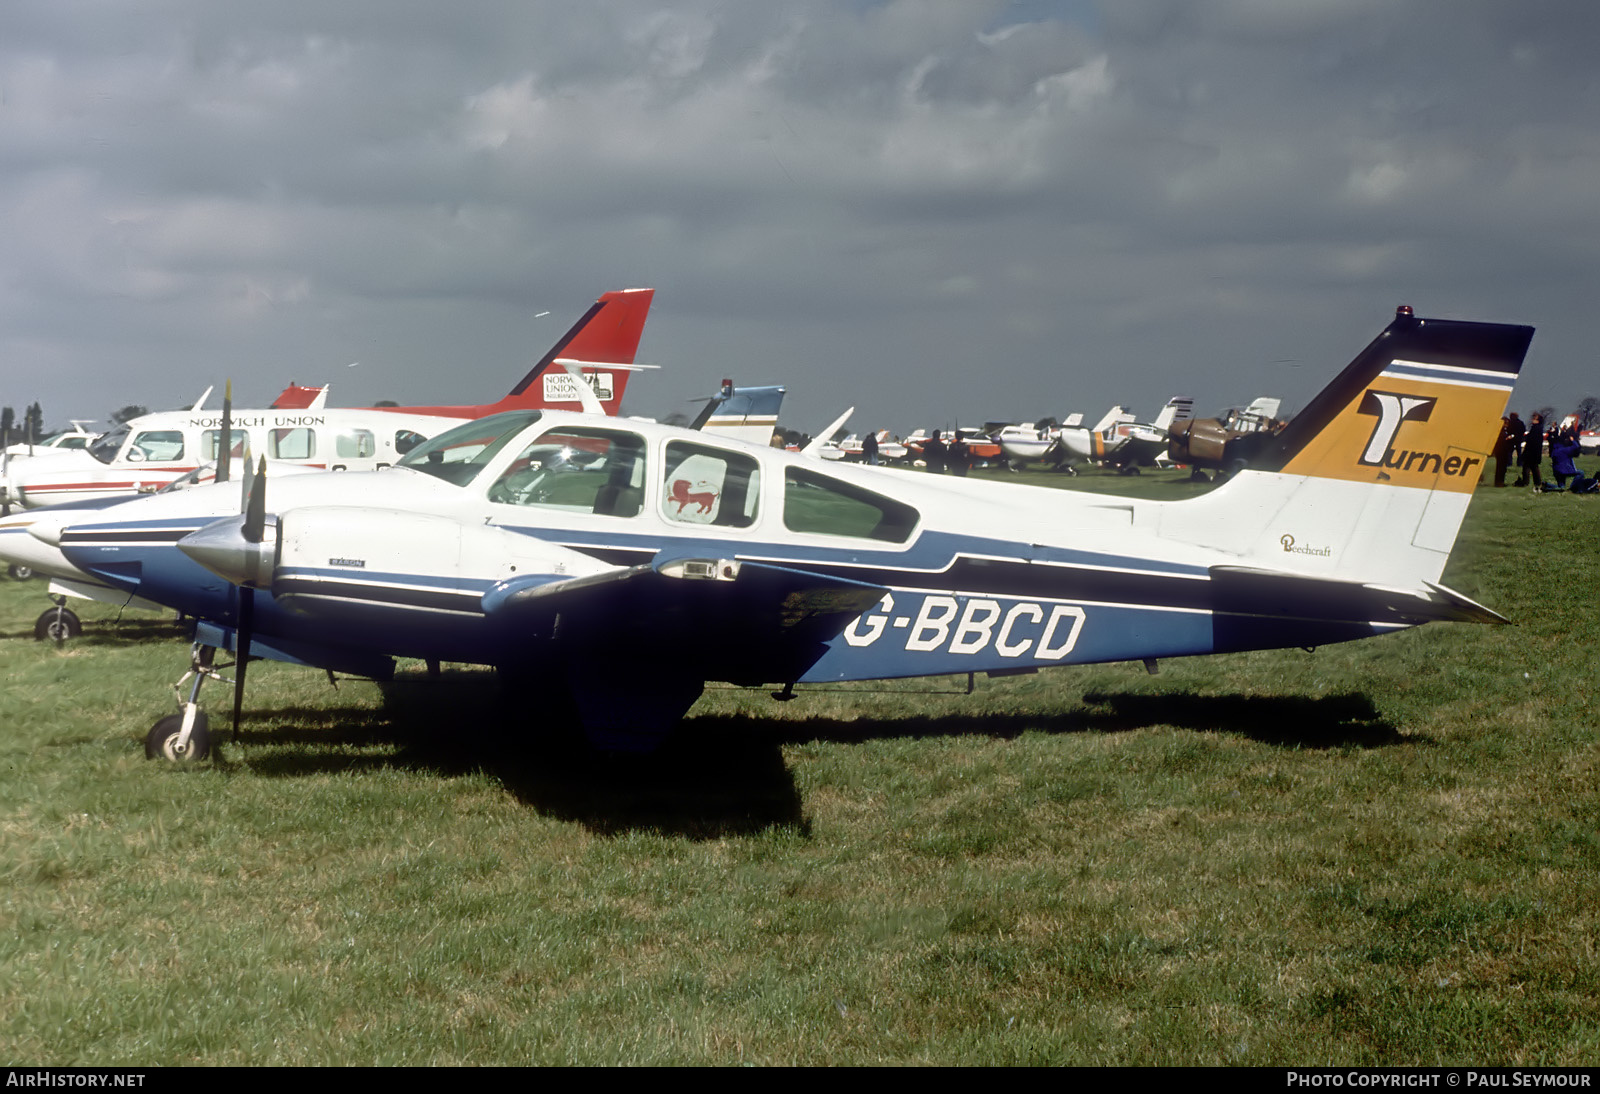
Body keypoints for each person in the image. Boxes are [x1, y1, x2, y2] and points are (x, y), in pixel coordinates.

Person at [1514, 413, 1544, 488]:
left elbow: (1533, 440)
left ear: (1538, 421)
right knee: (1533, 467)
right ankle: (1536, 482)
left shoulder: (1536, 428)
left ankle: (1526, 482)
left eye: (1534, 418)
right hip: (1534, 452)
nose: (1532, 420)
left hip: (1532, 451)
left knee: (1529, 467)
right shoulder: (1537, 428)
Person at [1491, 415, 1518, 487]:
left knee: (1502, 468)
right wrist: (1507, 438)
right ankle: (1499, 482)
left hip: (1504, 451)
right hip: (1501, 451)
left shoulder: (1505, 430)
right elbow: (1501, 440)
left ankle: (1500, 481)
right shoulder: (1500, 431)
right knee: (1500, 468)